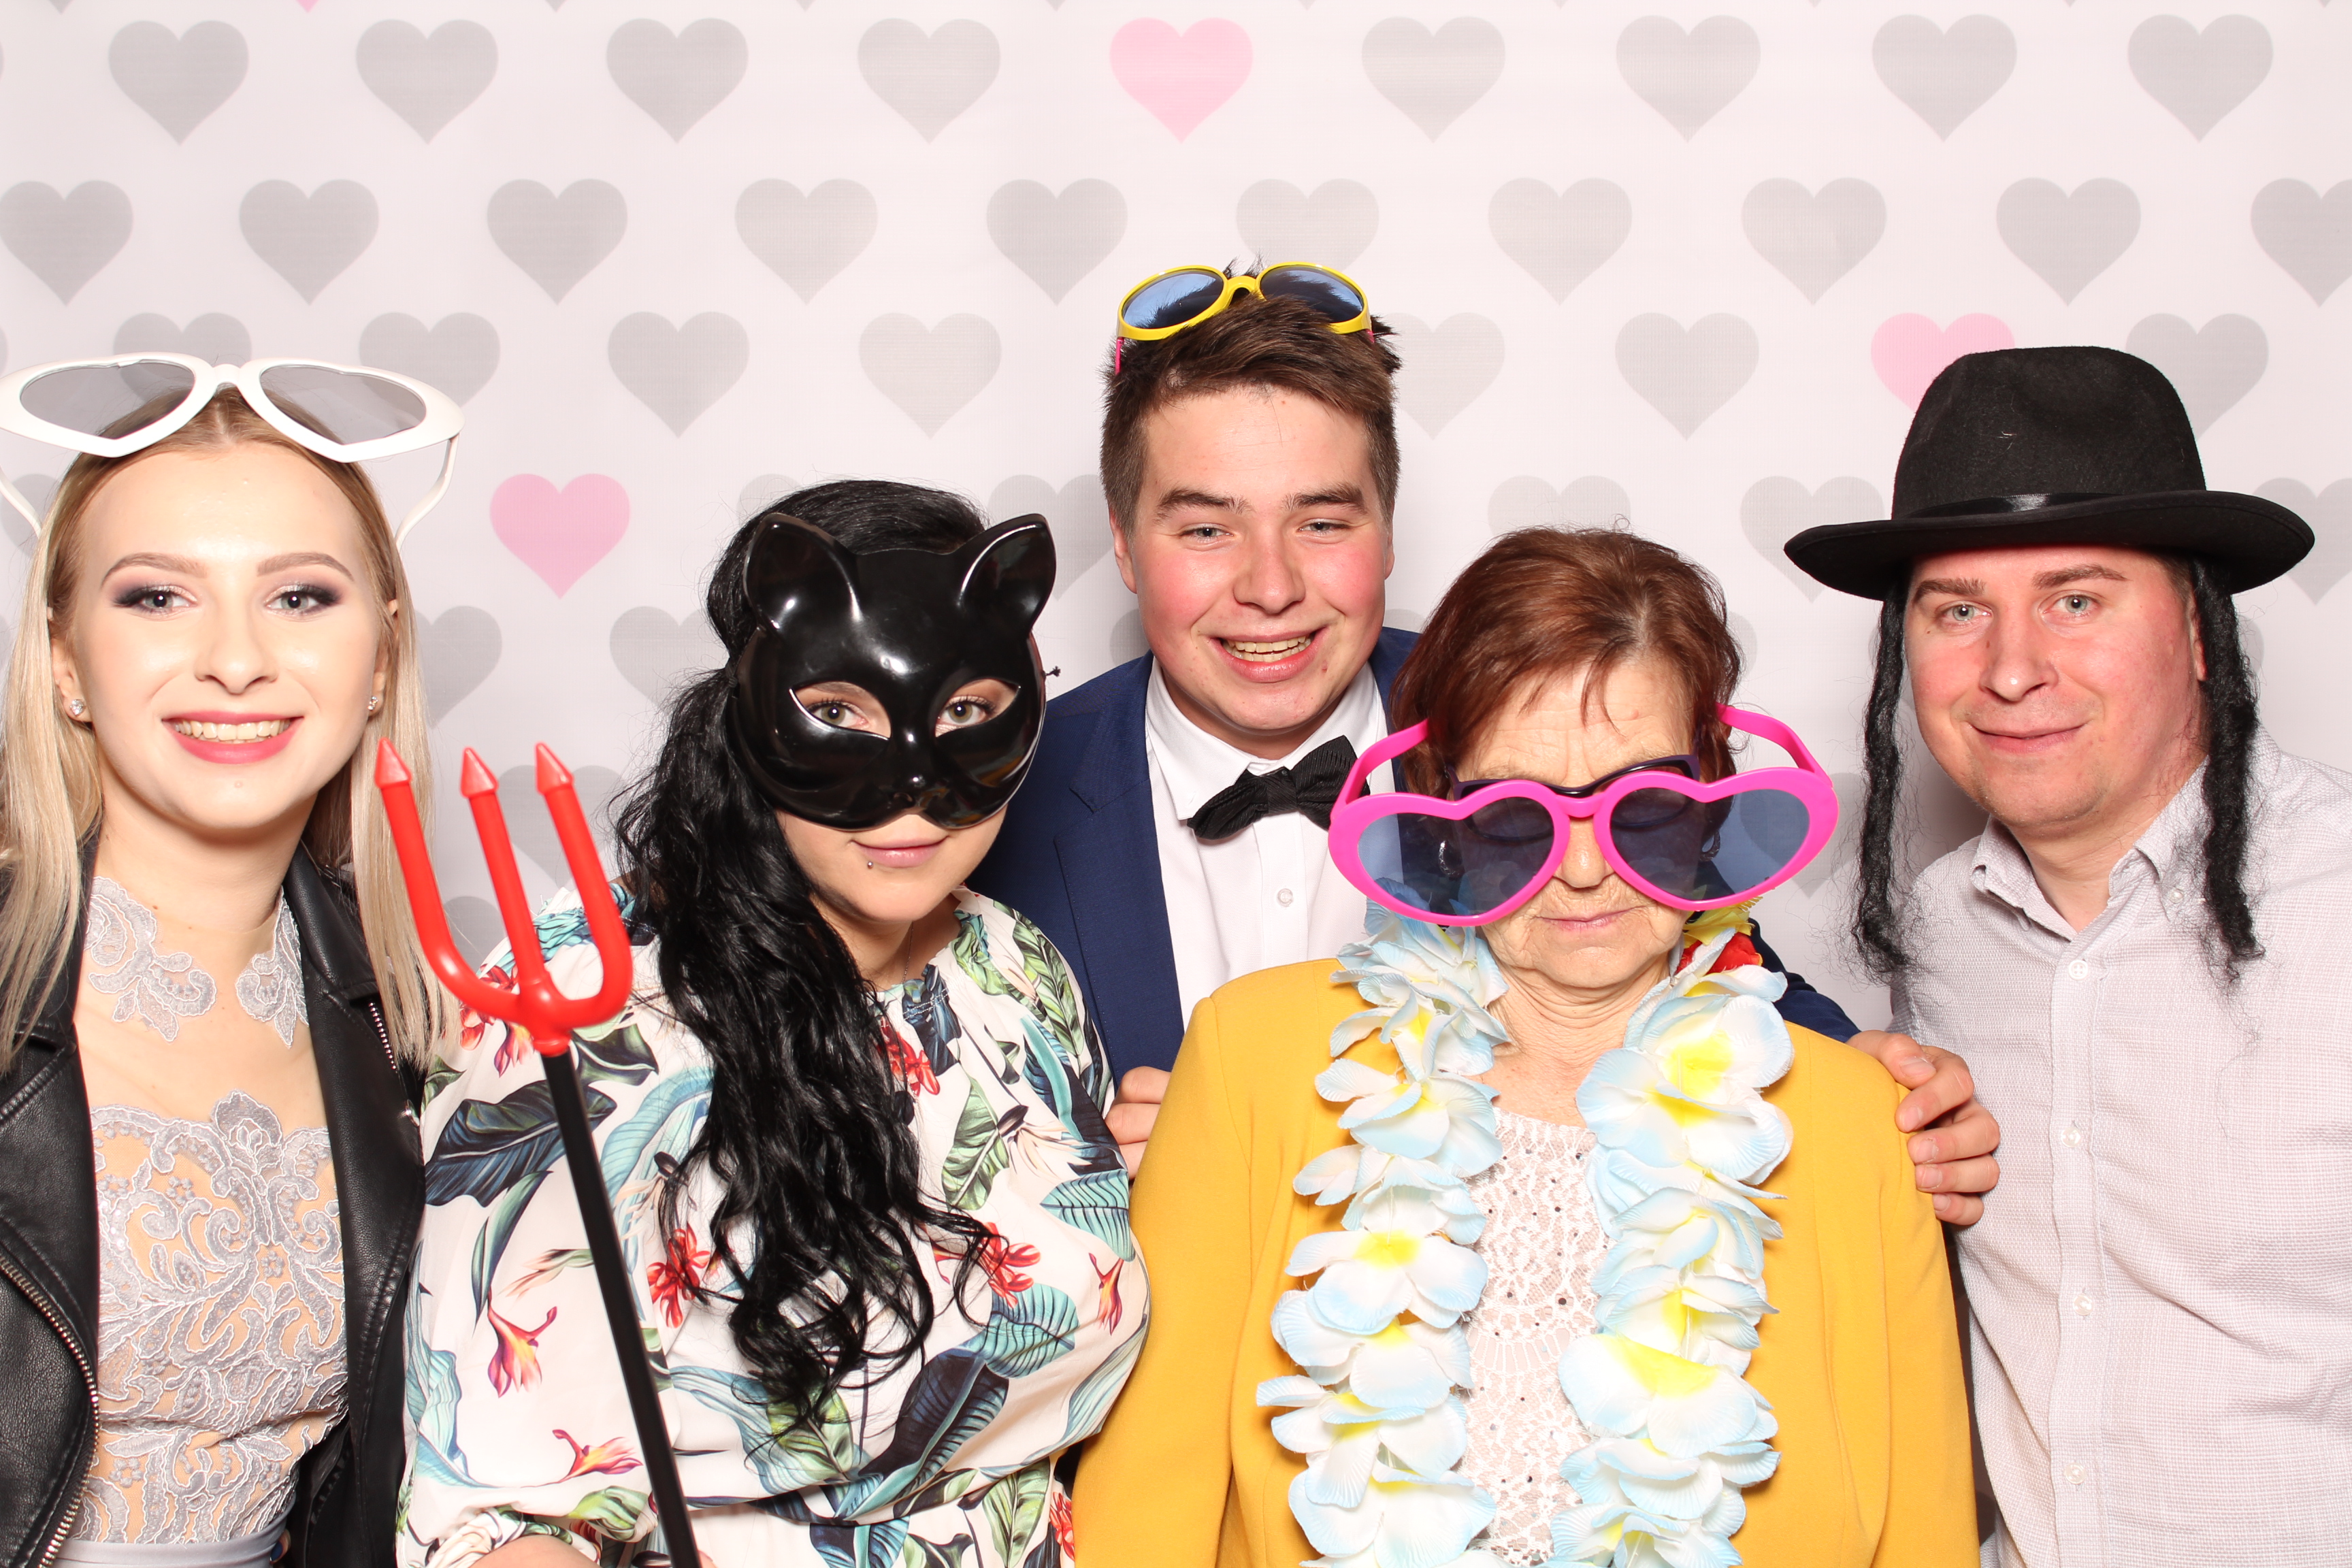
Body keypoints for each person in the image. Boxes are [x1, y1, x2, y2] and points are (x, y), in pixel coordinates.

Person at [971, 264, 1999, 1222]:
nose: (1270, 586)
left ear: (1388, 526)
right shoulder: (990, 794)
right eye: (1206, 529)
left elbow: (1711, 969)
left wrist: (1879, 1093)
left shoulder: (1530, 714)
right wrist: (1073, 1179)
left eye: (1322, 523)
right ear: (1123, 541)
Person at [1079, 525, 1976, 1568]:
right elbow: (1141, 1519)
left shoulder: (1860, 1123)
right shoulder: (1250, 1060)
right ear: (1442, 824)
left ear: (1712, 803)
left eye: (1645, 807)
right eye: (1515, 815)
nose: (1586, 869)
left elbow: (1926, 1539)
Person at [399, 482, 1145, 1566]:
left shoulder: (1014, 965)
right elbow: (496, 1512)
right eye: (839, 715)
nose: (911, 790)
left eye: (966, 714)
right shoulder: (589, 1008)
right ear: (749, 709)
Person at [1782, 344, 2339, 1567]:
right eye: (1957, 611)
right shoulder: (1938, 932)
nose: (2011, 669)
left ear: (2199, 630)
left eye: (2076, 600)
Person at [0, 356, 462, 1566]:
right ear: (65, 661)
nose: (237, 659)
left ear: (379, 658)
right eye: (158, 597)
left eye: (300, 596)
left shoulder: (420, 1029)